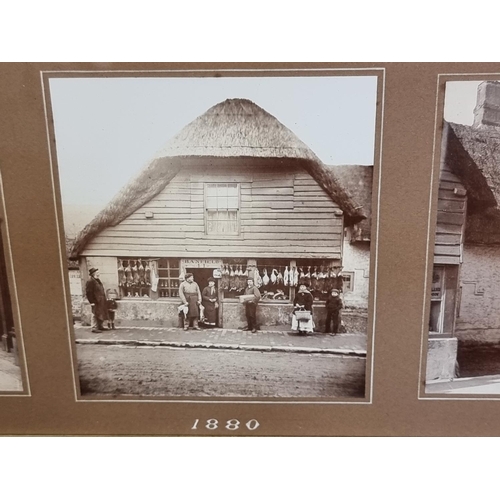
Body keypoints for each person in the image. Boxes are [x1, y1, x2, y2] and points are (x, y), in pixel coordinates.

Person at [85, 267, 108, 333]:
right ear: (93, 274)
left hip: (101, 300)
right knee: (94, 313)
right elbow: (89, 292)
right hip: (95, 300)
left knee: (100, 312)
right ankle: (94, 327)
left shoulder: (97, 280)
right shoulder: (90, 281)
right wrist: (91, 302)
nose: (99, 273)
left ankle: (100, 326)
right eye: (97, 272)